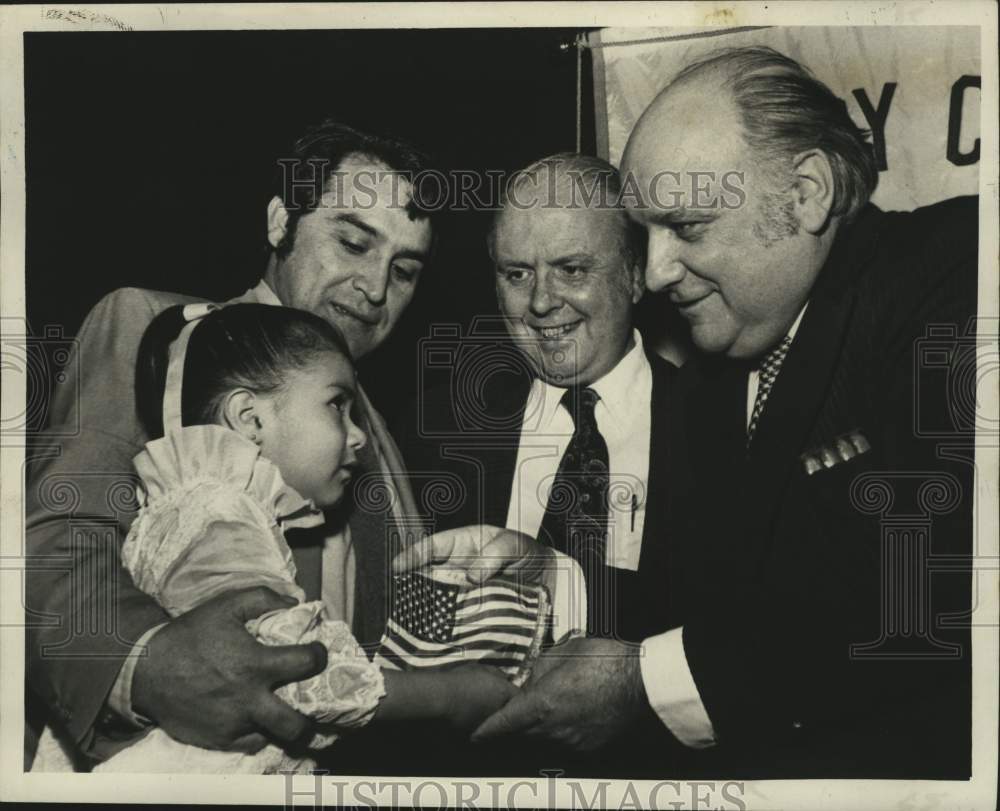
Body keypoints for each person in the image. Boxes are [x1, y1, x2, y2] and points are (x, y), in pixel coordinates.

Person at [473, 46, 976, 778]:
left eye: (690, 226)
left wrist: (645, 681)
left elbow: (925, 576)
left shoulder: (956, 268)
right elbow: (730, 606)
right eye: (646, 233)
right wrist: (555, 576)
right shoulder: (719, 384)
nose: (655, 270)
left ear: (805, 192)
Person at [24, 120, 438, 767]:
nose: (376, 287)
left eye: (404, 270)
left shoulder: (377, 437)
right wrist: (148, 664)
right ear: (280, 222)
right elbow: (53, 542)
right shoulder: (158, 333)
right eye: (354, 242)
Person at [31, 302, 516, 774]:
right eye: (336, 406)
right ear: (250, 419)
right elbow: (289, 679)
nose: (359, 436)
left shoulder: (198, 505)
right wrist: (451, 694)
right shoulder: (222, 515)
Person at [390, 154, 683, 775]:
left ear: (635, 275)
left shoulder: (724, 427)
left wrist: (557, 576)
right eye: (516, 273)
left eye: (572, 269)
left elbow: (731, 628)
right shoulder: (433, 428)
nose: (542, 302)